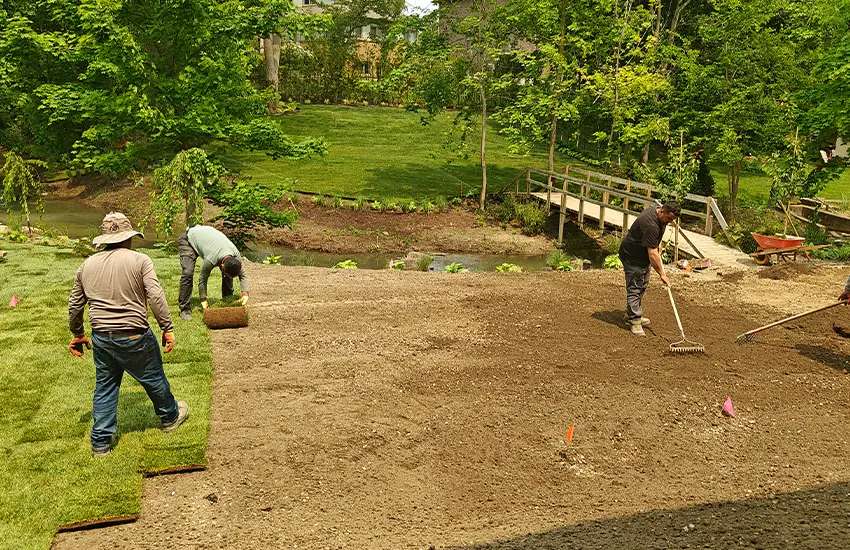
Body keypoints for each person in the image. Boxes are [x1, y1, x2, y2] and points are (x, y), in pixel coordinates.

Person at [68, 212, 189, 456]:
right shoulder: (140, 261)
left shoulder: (86, 266)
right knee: (153, 377)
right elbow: (155, 296)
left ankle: (101, 444)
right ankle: (170, 418)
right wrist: (167, 327)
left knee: (105, 387)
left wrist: (78, 333)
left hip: (101, 337)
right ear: (129, 237)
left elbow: (74, 305)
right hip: (134, 335)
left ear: (104, 239)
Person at [618, 202, 681, 337]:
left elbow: (655, 241)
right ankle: (634, 320)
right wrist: (662, 274)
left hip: (642, 255)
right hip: (633, 256)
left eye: (672, 220)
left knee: (642, 285)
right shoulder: (650, 224)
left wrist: (657, 243)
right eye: (669, 219)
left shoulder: (658, 214)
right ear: (662, 211)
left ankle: (631, 313)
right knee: (635, 287)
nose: (670, 222)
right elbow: (652, 254)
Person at [177, 225, 249, 321]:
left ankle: (227, 298)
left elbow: (243, 275)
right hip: (189, 239)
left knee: (228, 273)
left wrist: (245, 294)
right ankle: (184, 309)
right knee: (188, 272)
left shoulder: (235, 256)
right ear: (222, 266)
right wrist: (203, 300)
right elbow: (202, 279)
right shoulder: (211, 259)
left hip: (206, 241)